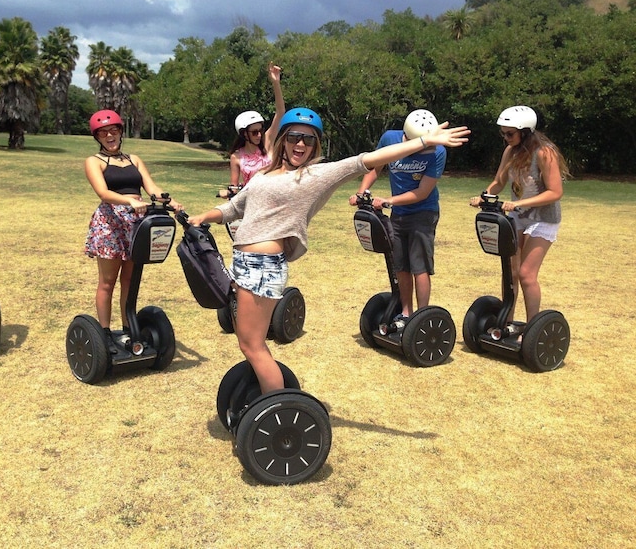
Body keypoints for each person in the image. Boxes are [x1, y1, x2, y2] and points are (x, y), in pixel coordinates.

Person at [188, 107, 469, 394]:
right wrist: (203, 216)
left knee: (253, 345)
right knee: (249, 343)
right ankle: (268, 401)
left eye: (308, 141)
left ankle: (279, 407)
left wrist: (424, 141)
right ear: (283, 139)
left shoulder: (315, 175)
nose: (300, 145)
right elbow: (235, 207)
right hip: (245, 262)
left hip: (263, 266)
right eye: (295, 137)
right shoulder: (264, 174)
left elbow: (365, 161)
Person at [83, 109, 183, 353]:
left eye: (114, 130)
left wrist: (169, 201)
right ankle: (105, 333)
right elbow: (103, 193)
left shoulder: (134, 159)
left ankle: (128, 328)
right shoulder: (94, 161)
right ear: (97, 137)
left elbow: (151, 188)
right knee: (107, 282)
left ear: (121, 132)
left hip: (136, 223)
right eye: (104, 132)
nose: (110, 135)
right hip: (110, 223)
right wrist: (130, 201)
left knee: (130, 278)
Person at [469, 105, 570, 328]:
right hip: (518, 217)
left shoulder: (545, 152)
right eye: (503, 133)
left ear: (526, 131)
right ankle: (507, 321)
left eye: (510, 134)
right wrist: (483, 197)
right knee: (510, 272)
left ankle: (533, 328)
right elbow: (499, 182)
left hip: (543, 219)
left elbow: (555, 192)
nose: (505, 138)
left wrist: (518, 203)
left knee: (526, 274)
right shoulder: (510, 152)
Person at [348, 109, 447, 328]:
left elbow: (422, 192)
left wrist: (390, 201)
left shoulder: (437, 151)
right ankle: (405, 313)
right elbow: (375, 167)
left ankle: (422, 318)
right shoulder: (390, 139)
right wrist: (361, 191)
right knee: (400, 265)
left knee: (419, 267)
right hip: (399, 214)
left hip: (424, 212)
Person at [228, 62, 286, 188]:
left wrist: (276, 83)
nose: (259, 135)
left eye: (260, 130)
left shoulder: (267, 143)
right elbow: (233, 189)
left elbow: (280, 112)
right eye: (254, 132)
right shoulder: (236, 157)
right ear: (244, 134)